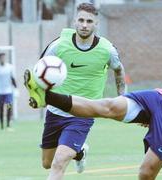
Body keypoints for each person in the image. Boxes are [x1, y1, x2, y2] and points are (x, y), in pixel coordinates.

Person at [24, 10, 162, 179]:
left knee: (146, 173)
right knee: (107, 106)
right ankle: (46, 95)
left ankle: (47, 96)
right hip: (160, 98)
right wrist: (152, 114)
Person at [25, 3, 126, 179]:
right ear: (74, 22)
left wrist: (123, 98)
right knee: (47, 163)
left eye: (89, 21)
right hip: (56, 111)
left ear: (96, 24)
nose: (84, 25)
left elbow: (118, 70)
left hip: (85, 111)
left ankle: (74, 151)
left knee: (59, 162)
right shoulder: (58, 45)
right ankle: (80, 152)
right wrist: (36, 95)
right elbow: (38, 72)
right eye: (81, 20)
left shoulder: (107, 49)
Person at [0, 52, 17, 131]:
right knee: (1, 109)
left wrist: (16, 89)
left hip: (8, 92)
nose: (3, 59)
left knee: (9, 107)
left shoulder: (10, 67)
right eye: (1, 58)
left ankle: (8, 125)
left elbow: (13, 79)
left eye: (4, 57)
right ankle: (2, 125)